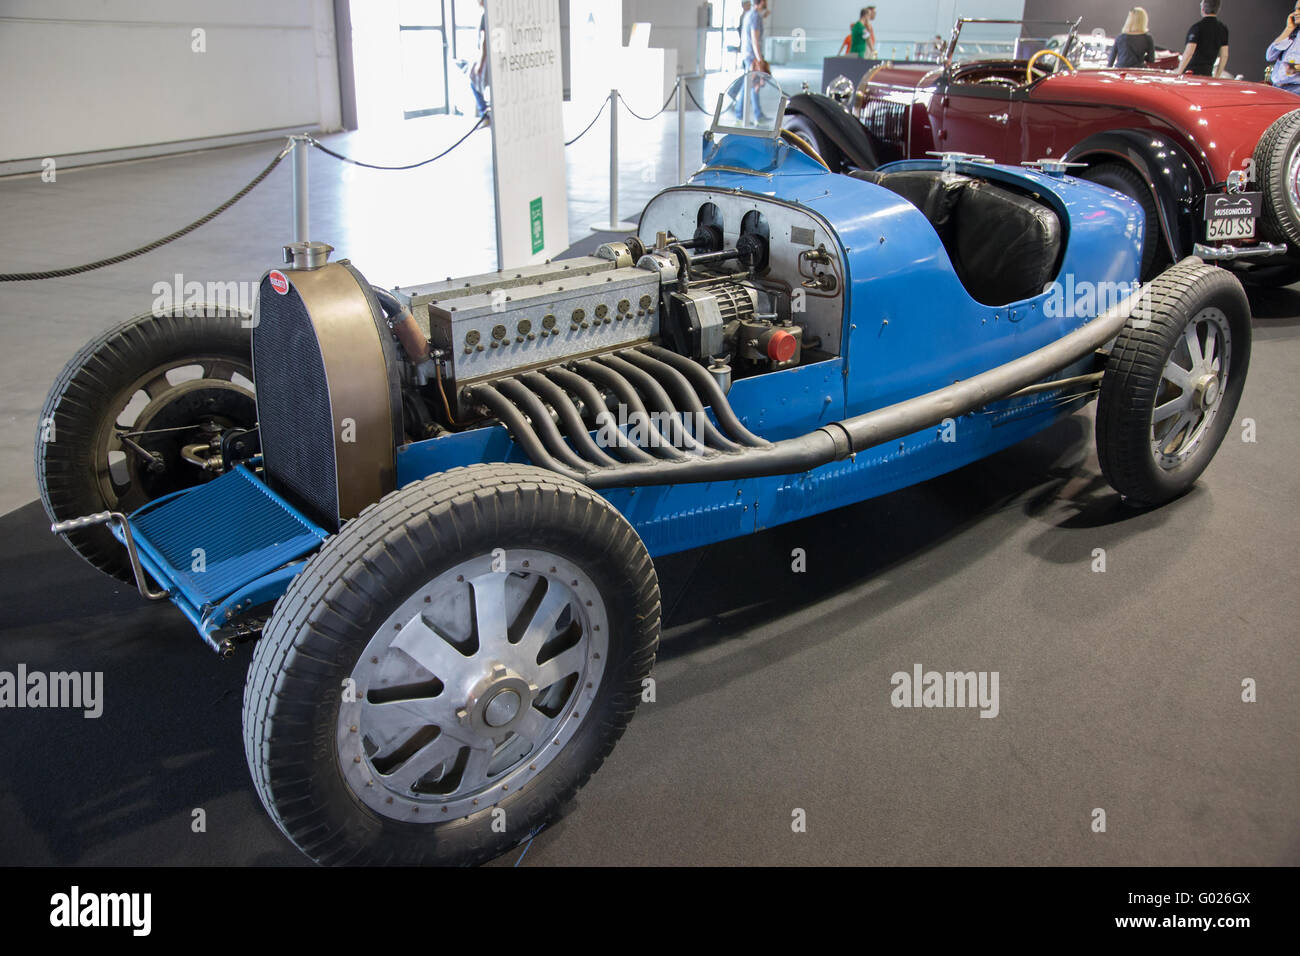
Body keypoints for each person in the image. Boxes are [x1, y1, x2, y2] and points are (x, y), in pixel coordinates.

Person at [733, 0, 770, 122]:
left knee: (753, 85)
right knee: (748, 85)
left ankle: (758, 114)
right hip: (752, 57)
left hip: (748, 55)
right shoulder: (754, 16)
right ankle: (739, 114)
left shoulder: (750, 14)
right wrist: (760, 60)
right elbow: (755, 39)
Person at [1176, 0, 1229, 77]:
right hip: (1207, 73)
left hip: (1191, 73)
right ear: (1218, 9)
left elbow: (1189, 53)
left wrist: (1178, 73)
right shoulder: (1223, 29)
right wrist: (1217, 76)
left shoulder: (1197, 28)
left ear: (1203, 8)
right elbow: (1224, 55)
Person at [1266, 0, 1300, 92]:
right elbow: (1270, 56)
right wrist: (1288, 29)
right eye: (1295, 10)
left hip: (1296, 91)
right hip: (1279, 89)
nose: (1295, 13)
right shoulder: (1294, 34)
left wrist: (1296, 68)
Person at [469, 0, 489, 118]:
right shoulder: (488, 15)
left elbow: (484, 41)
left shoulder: (485, 16)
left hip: (487, 60)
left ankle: (483, 113)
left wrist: (481, 63)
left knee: (473, 79)